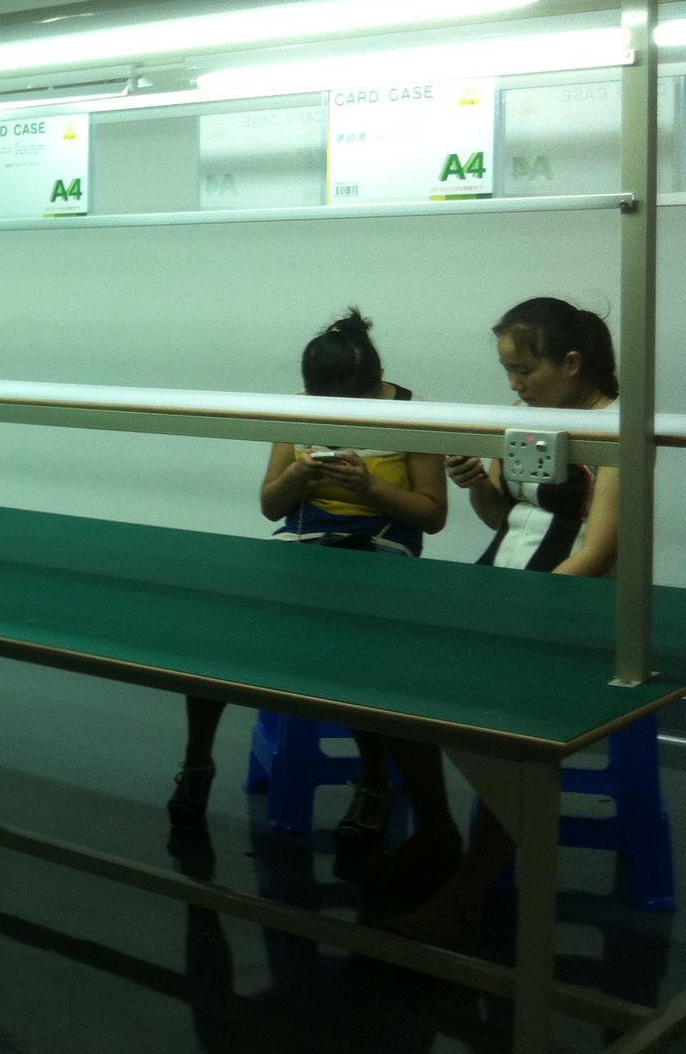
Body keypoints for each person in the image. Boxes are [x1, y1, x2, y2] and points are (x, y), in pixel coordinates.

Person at [169, 310, 449, 846]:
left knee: (360, 648)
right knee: (214, 635)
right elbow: (271, 506)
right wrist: (298, 471)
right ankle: (197, 762)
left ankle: (375, 780)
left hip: (380, 549)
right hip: (302, 543)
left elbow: (433, 514)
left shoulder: (416, 413)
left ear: (374, 383)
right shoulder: (299, 409)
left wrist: (369, 487)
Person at [389, 297, 620, 941]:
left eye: (525, 370)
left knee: (504, 728)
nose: (515, 385)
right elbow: (503, 516)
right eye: (508, 372)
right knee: (392, 675)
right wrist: (475, 485)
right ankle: (438, 831)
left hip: (574, 610)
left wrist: (525, 610)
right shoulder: (527, 419)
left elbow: (600, 553)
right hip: (503, 592)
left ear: (571, 363)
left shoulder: (616, 431)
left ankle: (468, 892)